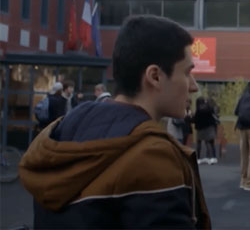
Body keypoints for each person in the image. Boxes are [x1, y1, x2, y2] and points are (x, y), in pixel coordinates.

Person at [19, 15, 212, 229]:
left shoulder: (64, 130)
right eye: (187, 72)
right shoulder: (154, 157)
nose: (193, 86)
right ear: (155, 76)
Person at [193, 96, 219, 165]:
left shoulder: (198, 110)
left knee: (199, 143)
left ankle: (198, 158)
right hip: (209, 128)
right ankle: (211, 158)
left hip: (200, 128)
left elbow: (195, 119)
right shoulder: (208, 108)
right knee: (209, 143)